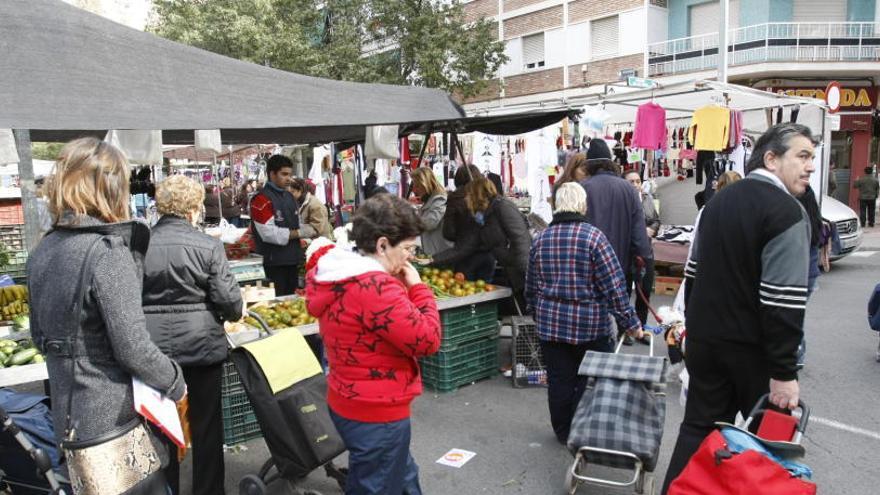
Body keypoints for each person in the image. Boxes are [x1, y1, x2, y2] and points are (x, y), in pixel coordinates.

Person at [28, 137, 186, 492]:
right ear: (113, 187)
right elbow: (133, 348)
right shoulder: (107, 251)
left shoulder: (43, 249)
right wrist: (176, 382)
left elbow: (40, 337)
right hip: (116, 422)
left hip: (70, 419)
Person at [663, 123, 814, 493]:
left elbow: (694, 279)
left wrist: (692, 336)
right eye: (803, 156)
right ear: (772, 159)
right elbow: (783, 304)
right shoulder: (786, 212)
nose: (810, 166)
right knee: (770, 449)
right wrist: (784, 372)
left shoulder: (716, 204)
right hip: (755, 354)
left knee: (697, 431)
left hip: (707, 346)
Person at [305, 194, 442, 495]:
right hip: (377, 412)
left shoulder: (338, 274)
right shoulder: (375, 287)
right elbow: (428, 339)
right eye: (407, 248)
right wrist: (418, 289)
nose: (409, 256)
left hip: (349, 399)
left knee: (399, 476)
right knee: (378, 484)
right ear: (382, 245)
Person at [142, 175, 243, 495]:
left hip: (153, 352)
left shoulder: (138, 245)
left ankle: (165, 489)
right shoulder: (209, 245)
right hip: (202, 348)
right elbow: (230, 303)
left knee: (160, 429)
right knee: (207, 428)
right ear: (194, 208)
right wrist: (227, 314)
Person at [526, 182, 643, 444]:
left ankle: (563, 431)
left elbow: (531, 286)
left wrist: (536, 313)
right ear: (582, 205)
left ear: (557, 206)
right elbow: (614, 287)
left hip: (551, 325)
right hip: (590, 326)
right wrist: (631, 323)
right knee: (591, 380)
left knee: (559, 380)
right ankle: (584, 428)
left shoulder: (541, 239)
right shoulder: (594, 238)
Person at [579, 139, 652, 340]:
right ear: (611, 162)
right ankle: (619, 334)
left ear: (589, 164)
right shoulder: (628, 189)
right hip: (620, 261)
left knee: (593, 306)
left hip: (586, 265)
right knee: (617, 299)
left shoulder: (582, 188)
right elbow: (639, 232)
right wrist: (643, 259)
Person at [465, 177, 531, 301]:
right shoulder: (486, 212)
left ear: (477, 194)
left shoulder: (502, 207)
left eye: (469, 195)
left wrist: (522, 271)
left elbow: (520, 239)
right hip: (509, 265)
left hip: (519, 268)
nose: (466, 198)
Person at [250, 155, 303, 296]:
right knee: (277, 301)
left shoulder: (290, 197)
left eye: (290, 175)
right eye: (284, 174)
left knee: (293, 301)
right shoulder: (261, 199)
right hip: (274, 263)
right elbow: (268, 233)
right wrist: (297, 233)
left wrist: (303, 232)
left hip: (293, 259)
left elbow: (297, 222)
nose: (288, 179)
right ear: (272, 174)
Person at [432, 165, 495, 281]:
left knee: (465, 293)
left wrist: (462, 237)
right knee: (487, 293)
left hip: (464, 256)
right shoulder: (488, 196)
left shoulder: (455, 199)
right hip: (488, 254)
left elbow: (448, 232)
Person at [623, 170, 660, 344]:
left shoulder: (647, 199)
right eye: (631, 181)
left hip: (646, 251)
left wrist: (652, 229)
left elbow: (656, 220)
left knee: (644, 290)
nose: (636, 184)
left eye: (638, 181)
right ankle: (626, 330)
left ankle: (642, 328)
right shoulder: (621, 201)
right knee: (623, 292)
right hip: (627, 251)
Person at [410, 167, 453, 256]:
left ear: (425, 184)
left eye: (417, 185)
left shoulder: (439, 199)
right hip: (433, 250)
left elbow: (430, 223)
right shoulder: (430, 199)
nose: (414, 189)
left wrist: (410, 219)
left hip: (440, 252)